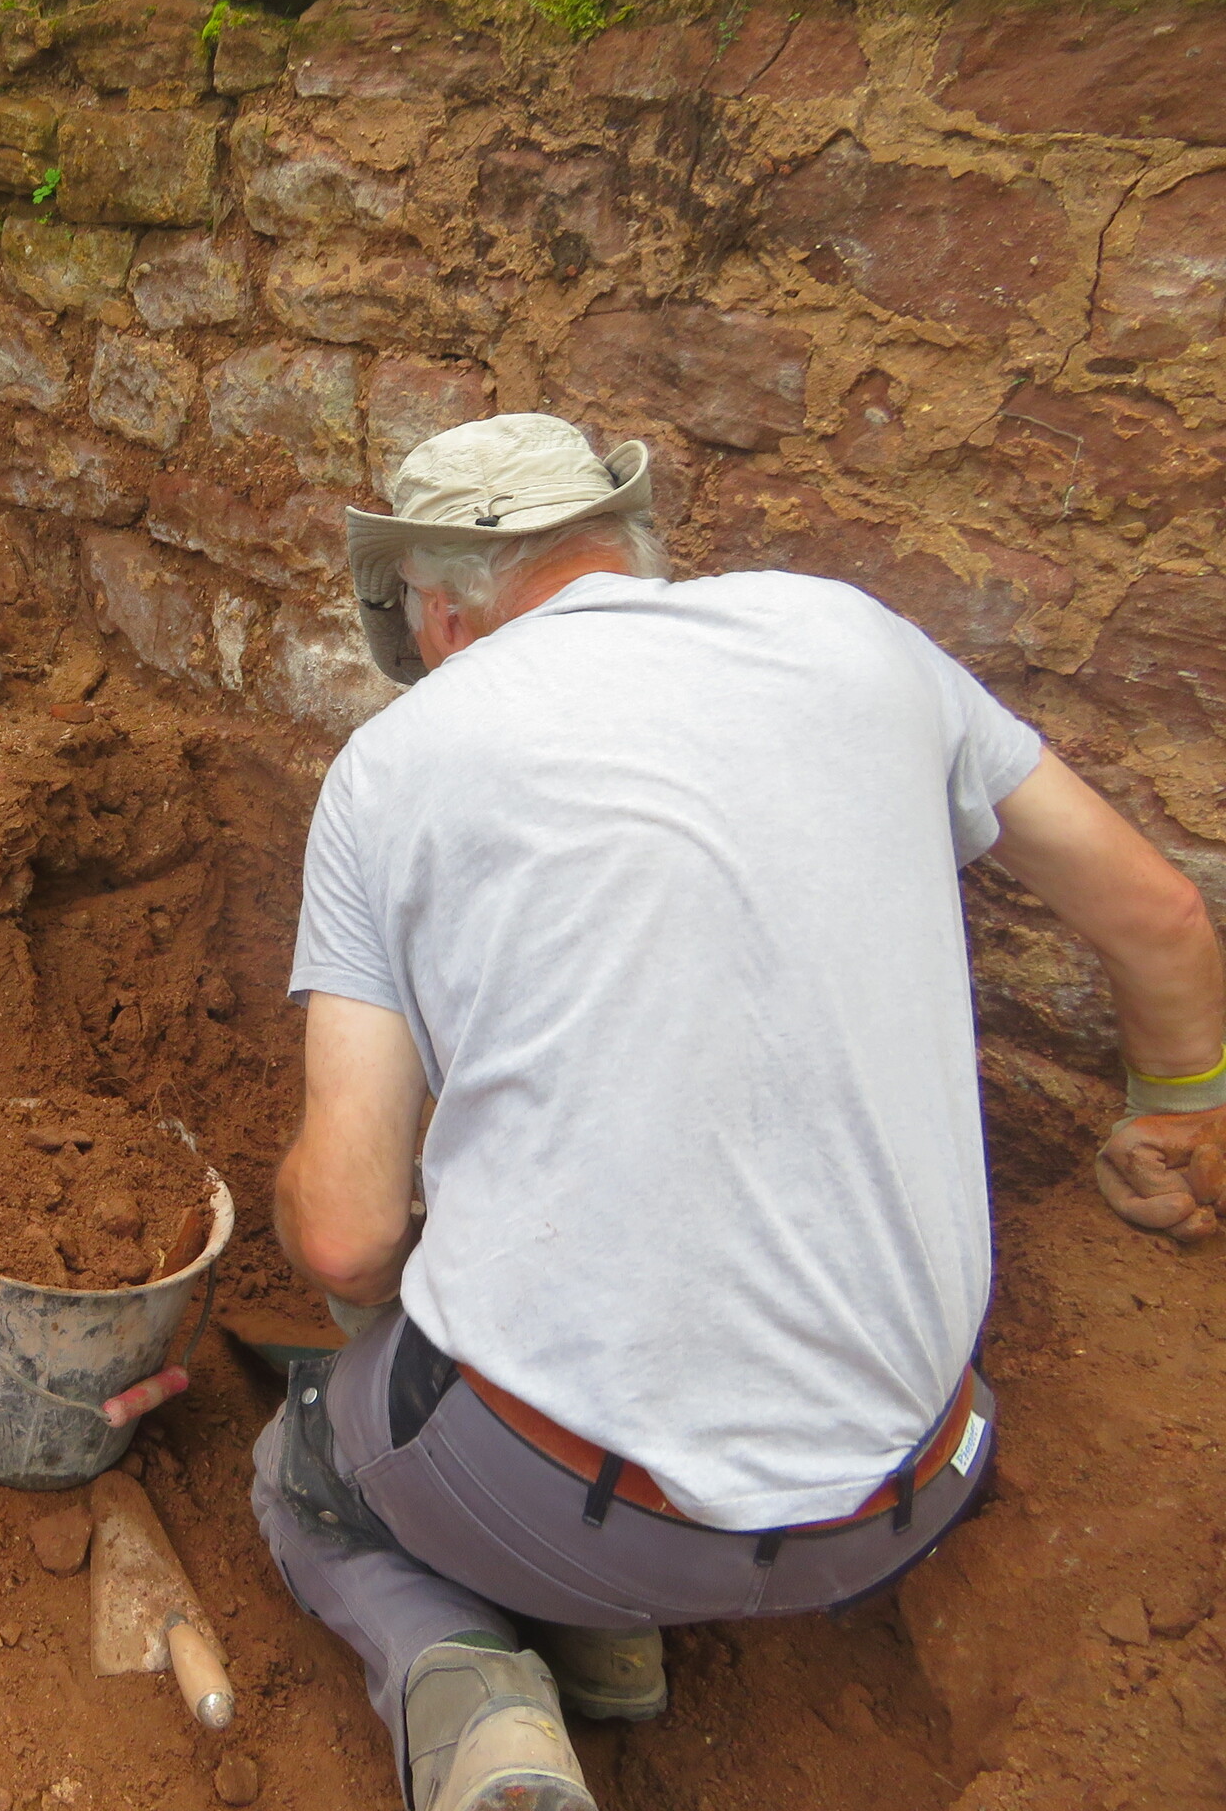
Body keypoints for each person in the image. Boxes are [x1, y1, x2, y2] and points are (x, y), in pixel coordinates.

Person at [249, 414, 1225, 1811]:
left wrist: (317, 1206)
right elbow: (1164, 917)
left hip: (570, 1506)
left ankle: (474, 1682)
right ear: (624, 543)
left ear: (439, 609)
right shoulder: (858, 638)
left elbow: (348, 1241)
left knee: (307, 1465)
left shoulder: (394, 766)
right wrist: (1179, 1114)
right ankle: (603, 1637)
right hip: (917, 1486)